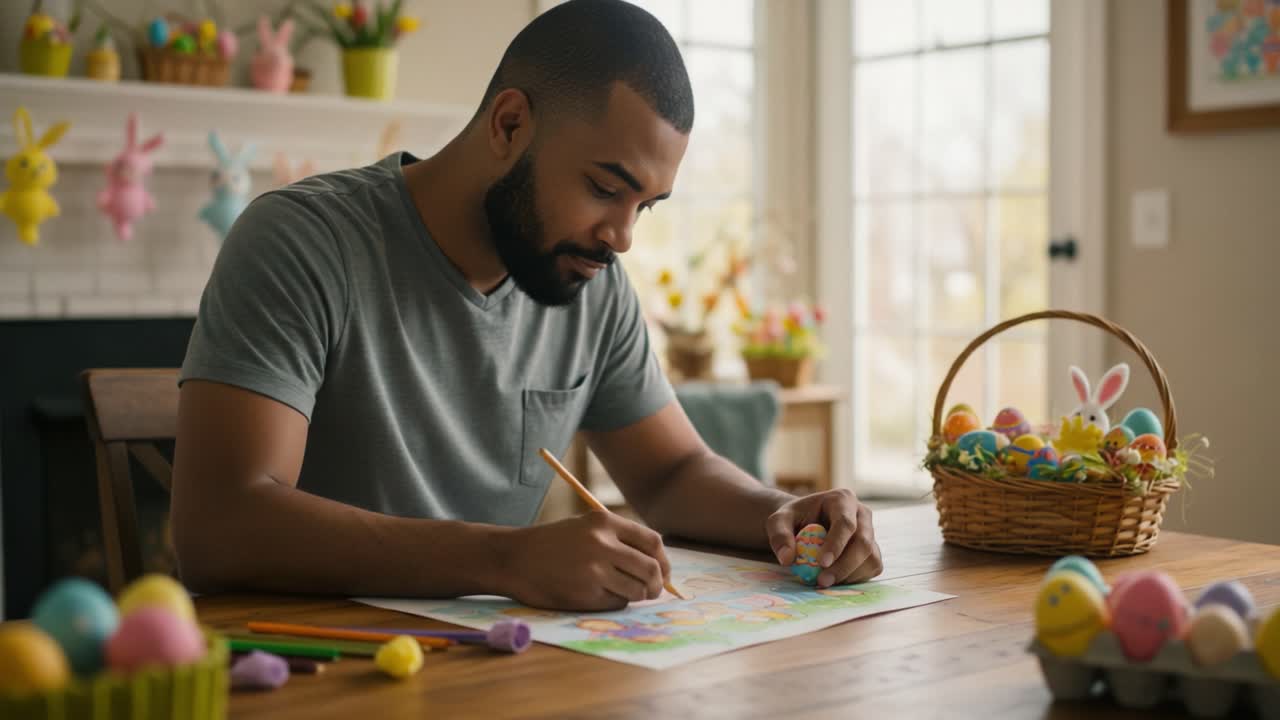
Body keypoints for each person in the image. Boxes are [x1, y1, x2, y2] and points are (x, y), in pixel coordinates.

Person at [171, 0, 881, 612]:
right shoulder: (303, 243)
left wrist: (779, 512)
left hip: (497, 671)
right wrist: (506, 559)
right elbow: (218, 525)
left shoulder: (588, 281)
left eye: (646, 205)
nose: (623, 238)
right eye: (606, 188)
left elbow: (672, 475)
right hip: (309, 671)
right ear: (510, 124)